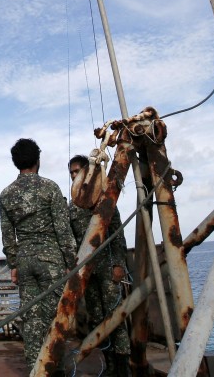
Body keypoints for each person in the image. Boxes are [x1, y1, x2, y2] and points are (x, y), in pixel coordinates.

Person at [0, 138, 77, 370]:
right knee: (55, 317)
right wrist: (70, 261)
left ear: (16, 162)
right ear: (37, 160)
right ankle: (56, 368)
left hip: (24, 261)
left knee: (31, 318)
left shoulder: (6, 194)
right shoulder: (50, 187)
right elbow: (63, 231)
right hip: (50, 259)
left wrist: (14, 264)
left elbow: (7, 236)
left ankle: (36, 368)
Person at [67, 155, 130, 377]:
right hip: (88, 271)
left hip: (108, 265)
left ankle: (123, 367)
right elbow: (72, 239)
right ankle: (110, 363)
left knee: (115, 316)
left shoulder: (104, 198)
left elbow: (118, 233)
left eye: (77, 171)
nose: (74, 176)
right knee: (96, 317)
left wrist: (118, 264)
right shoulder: (73, 206)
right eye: (72, 173)